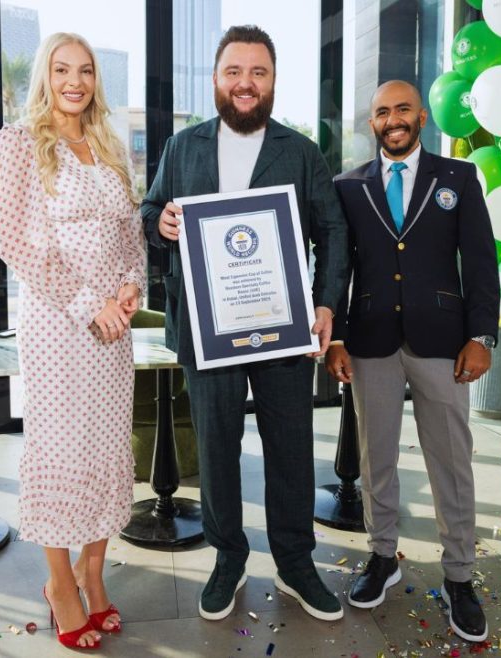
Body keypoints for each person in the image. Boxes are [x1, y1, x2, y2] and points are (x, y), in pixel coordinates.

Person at [140, 25, 348, 621]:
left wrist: (326, 302)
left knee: (290, 446)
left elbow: (332, 230)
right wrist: (162, 224)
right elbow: (151, 209)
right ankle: (228, 557)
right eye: (235, 71)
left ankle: (294, 561)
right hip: (207, 331)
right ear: (215, 79)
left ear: (273, 80)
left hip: (282, 328)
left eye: (258, 72)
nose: (246, 83)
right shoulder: (184, 147)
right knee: (217, 448)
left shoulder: (300, 151)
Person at [326, 80, 500, 642]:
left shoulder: (458, 177)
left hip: (444, 341)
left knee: (451, 460)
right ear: (371, 122)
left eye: (402, 109)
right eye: (382, 112)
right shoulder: (347, 186)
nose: (393, 119)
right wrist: (336, 339)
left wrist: (482, 335)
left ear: (422, 116)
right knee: (376, 458)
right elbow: (337, 269)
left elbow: (479, 261)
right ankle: (382, 557)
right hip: (371, 341)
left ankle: (459, 577)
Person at [0, 32, 145, 650]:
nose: (74, 81)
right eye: (61, 69)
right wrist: (92, 305)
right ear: (46, 77)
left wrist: (129, 289)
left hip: (115, 329)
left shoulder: (107, 145)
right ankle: (59, 584)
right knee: (61, 451)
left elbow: (130, 232)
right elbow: (19, 245)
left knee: (108, 446)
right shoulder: (18, 144)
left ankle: (94, 577)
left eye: (84, 71)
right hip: (59, 327)